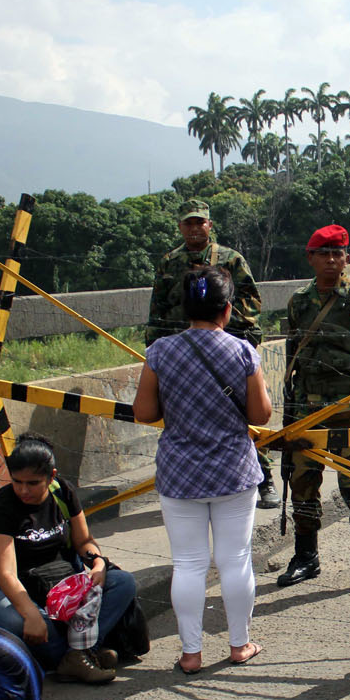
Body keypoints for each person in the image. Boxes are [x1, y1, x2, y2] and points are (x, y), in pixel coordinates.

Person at [135, 267, 272, 674]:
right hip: (233, 471)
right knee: (235, 560)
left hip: (180, 473)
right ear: (227, 310)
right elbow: (261, 414)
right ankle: (239, 644)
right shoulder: (244, 352)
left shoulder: (160, 351)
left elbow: (144, 412)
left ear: (185, 308)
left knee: (189, 564)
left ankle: (191, 653)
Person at [147, 199, 277, 510]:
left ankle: (264, 478)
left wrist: (222, 327)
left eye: (199, 222)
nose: (194, 228)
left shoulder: (230, 259)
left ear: (209, 225)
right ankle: (185, 483)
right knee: (184, 420)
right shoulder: (169, 262)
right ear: (180, 227)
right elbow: (159, 307)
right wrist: (153, 347)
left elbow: (252, 301)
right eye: (188, 223)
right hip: (181, 355)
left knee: (242, 415)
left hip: (224, 349)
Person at [0, 433, 136, 683]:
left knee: (123, 582)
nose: (23, 490)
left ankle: (73, 656)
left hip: (61, 584)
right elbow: (6, 574)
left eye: (32, 483)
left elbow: (84, 542)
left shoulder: (63, 492)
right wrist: (30, 614)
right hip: (13, 590)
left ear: (51, 477)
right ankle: (83, 654)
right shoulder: (0, 508)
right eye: (17, 482)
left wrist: (98, 563)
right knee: (15, 618)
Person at [278, 224, 350, 587]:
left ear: (346, 258)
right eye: (325, 254)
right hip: (307, 411)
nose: (333, 260)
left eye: (339, 254)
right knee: (303, 482)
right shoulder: (298, 303)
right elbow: (293, 356)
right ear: (311, 258)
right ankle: (306, 556)